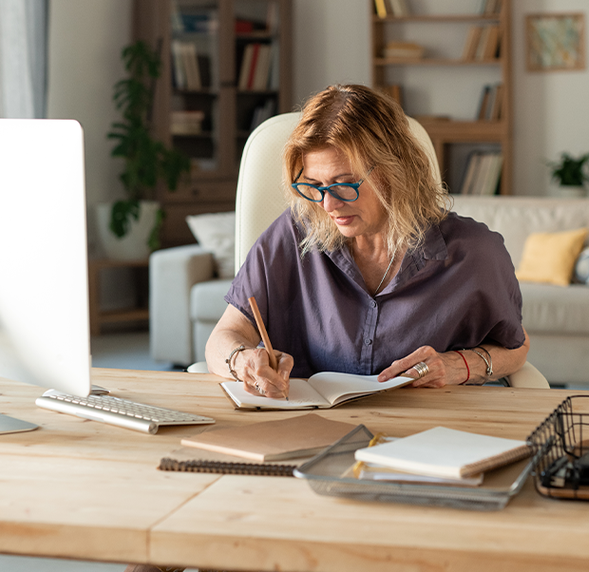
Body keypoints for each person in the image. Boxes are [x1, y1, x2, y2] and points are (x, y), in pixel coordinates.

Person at [205, 84, 529, 399]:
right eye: (314, 185)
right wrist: (240, 360)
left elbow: (515, 348)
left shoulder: (475, 252)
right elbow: (223, 336)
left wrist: (461, 365)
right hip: (310, 428)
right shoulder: (293, 233)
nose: (328, 205)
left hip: (429, 434)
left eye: (345, 184)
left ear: (394, 170)